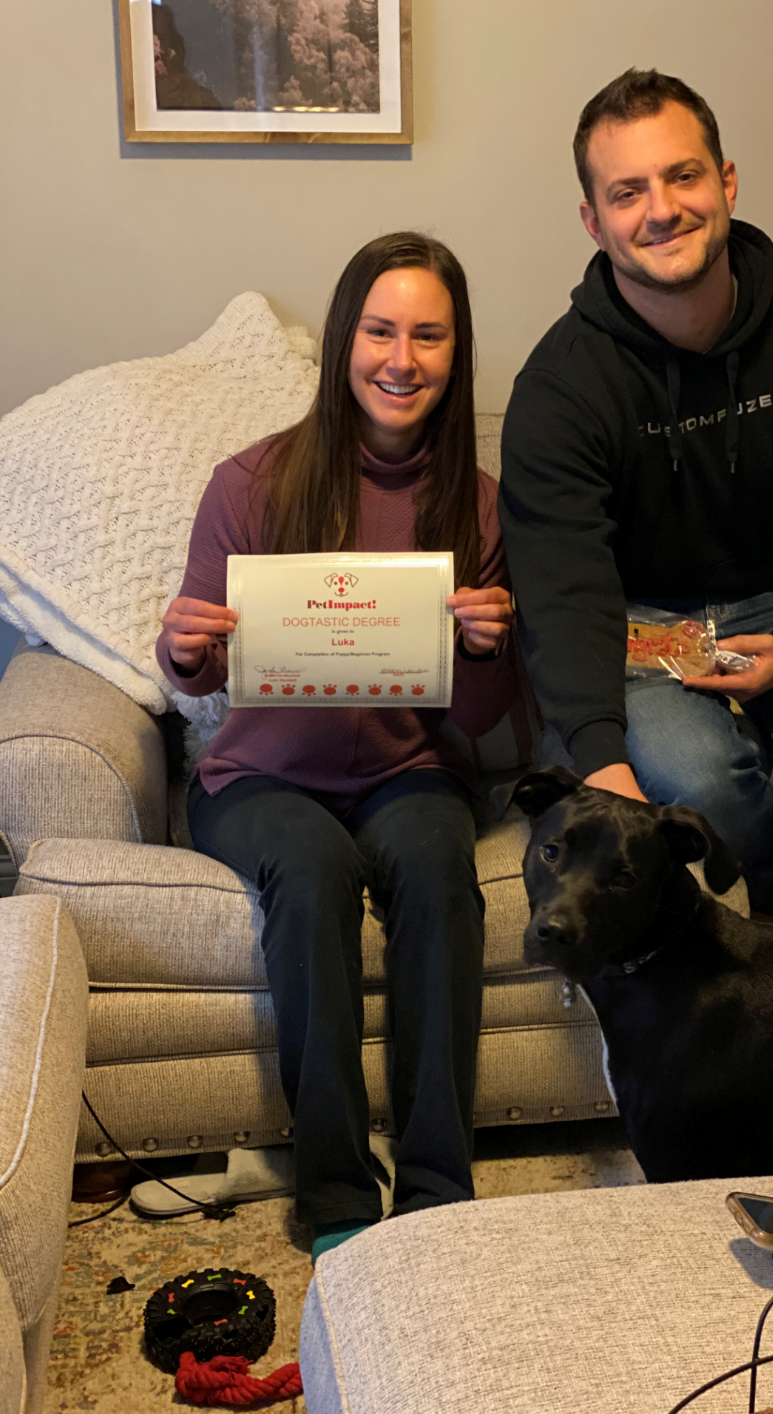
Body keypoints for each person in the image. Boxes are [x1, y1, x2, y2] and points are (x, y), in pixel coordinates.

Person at [156, 232, 515, 1263]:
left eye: (429, 335)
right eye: (381, 329)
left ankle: (440, 1188)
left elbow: (482, 718)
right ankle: (336, 1194)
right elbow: (203, 673)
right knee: (310, 876)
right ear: (345, 341)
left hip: (410, 774)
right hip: (260, 779)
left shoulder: (479, 504)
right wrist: (182, 650)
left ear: (456, 352)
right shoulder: (251, 482)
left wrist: (491, 644)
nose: (402, 358)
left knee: (439, 865)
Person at [499, 68, 773, 943]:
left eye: (683, 176)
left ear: (727, 182)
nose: (662, 209)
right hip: (642, 626)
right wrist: (602, 760)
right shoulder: (560, 387)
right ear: (594, 222)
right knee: (710, 786)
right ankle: (759, 949)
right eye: (627, 192)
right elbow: (564, 589)